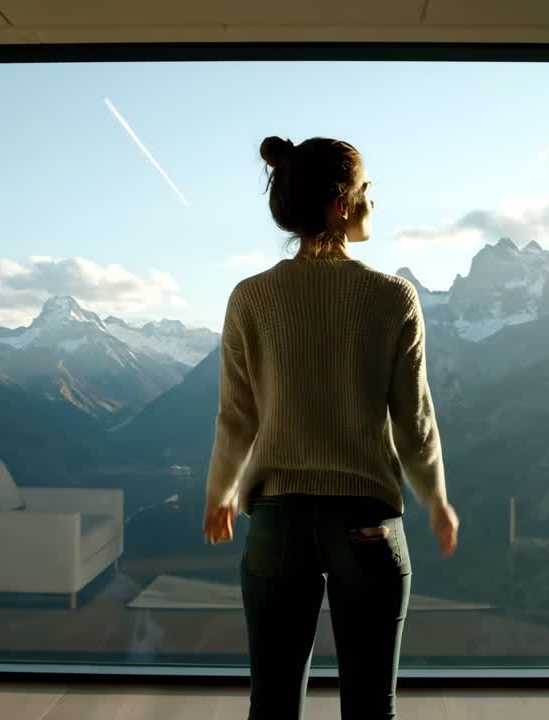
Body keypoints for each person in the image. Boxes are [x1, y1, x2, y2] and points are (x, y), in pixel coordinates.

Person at [203, 135, 459, 720]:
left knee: (271, 707)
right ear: (342, 205)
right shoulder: (393, 297)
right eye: (367, 190)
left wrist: (219, 494)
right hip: (366, 526)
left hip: (277, 523)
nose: (373, 202)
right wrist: (437, 500)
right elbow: (413, 417)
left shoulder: (250, 297)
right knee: (371, 709)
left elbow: (236, 416)